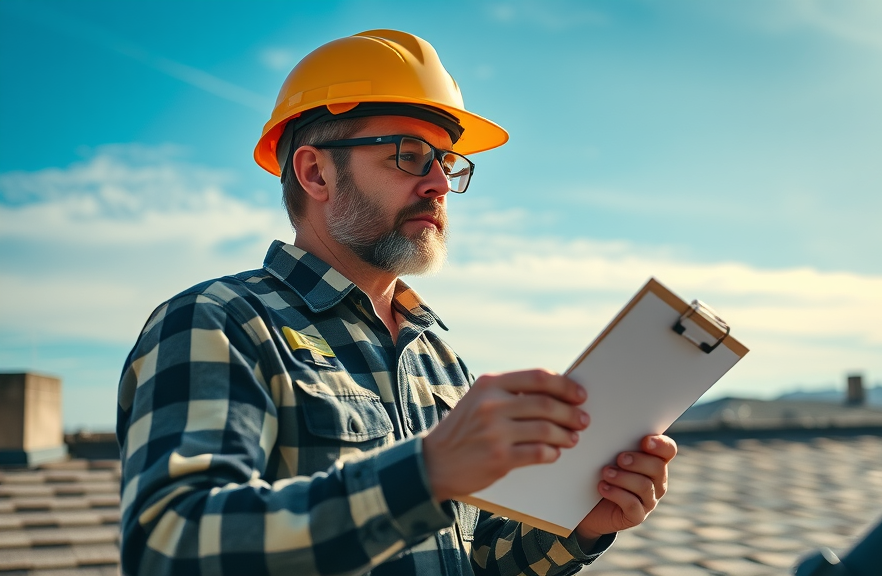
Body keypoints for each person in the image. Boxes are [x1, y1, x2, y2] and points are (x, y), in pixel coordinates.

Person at [116, 29, 677, 576]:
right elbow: (171, 545)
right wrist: (425, 473)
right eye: (410, 156)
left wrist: (579, 526)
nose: (438, 183)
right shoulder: (218, 323)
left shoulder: (437, 357)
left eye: (446, 162)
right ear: (315, 172)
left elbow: (474, 556)